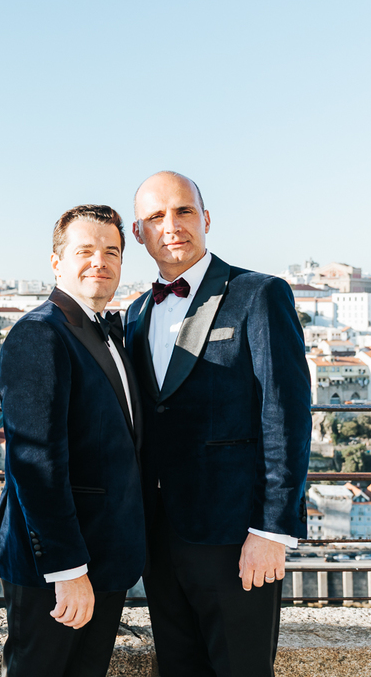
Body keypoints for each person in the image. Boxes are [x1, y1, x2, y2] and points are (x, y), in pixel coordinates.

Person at [124, 171, 312, 677]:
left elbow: (286, 415)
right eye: (155, 216)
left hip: (236, 538)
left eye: (183, 211)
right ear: (138, 233)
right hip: (159, 540)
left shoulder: (259, 294)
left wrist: (272, 531)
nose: (172, 225)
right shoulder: (136, 313)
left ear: (205, 219)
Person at [0, 204, 145, 677]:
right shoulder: (39, 335)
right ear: (57, 262)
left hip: (101, 559)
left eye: (111, 251)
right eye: (85, 250)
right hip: (59, 566)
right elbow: (36, 464)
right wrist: (69, 571)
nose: (100, 261)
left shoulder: (100, 332)